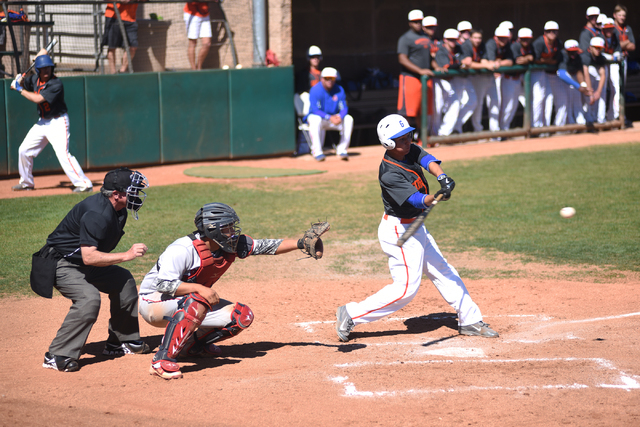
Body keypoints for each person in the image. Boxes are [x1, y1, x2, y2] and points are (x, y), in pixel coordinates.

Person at [335, 114, 498, 342]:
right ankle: (351, 313)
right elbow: (416, 200)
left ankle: (470, 320)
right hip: (399, 231)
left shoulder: (407, 148)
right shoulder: (390, 173)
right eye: (401, 139)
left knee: (444, 270)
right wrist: (435, 197)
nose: (408, 141)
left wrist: (442, 177)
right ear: (389, 143)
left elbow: (425, 157)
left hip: (415, 226)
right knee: (405, 290)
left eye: (408, 136)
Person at [140, 203, 329, 380]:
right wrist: (199, 288)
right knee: (197, 300)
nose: (232, 232)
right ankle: (161, 360)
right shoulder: (182, 249)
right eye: (227, 228)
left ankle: (190, 347)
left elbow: (267, 246)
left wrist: (300, 243)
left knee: (241, 316)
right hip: (153, 303)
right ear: (213, 230)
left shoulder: (229, 245)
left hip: (187, 300)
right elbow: (163, 284)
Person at [36, 167, 151, 372]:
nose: (137, 194)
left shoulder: (118, 209)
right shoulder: (96, 214)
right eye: (133, 190)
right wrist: (126, 255)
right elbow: (89, 257)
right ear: (117, 194)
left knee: (123, 281)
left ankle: (121, 341)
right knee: (89, 298)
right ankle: (57, 355)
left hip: (83, 261)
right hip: (62, 263)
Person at [9, 50, 93, 192]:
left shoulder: (56, 84)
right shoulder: (35, 79)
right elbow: (25, 82)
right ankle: (26, 183)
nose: (46, 70)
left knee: (63, 154)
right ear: (38, 70)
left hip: (58, 122)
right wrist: (19, 80)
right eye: (43, 68)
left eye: (48, 67)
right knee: (24, 150)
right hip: (43, 122)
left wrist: (19, 89)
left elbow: (38, 99)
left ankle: (84, 184)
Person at [397, 9, 434, 144]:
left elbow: (430, 57)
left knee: (423, 111)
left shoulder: (426, 37)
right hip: (411, 78)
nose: (418, 24)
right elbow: (402, 59)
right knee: (407, 112)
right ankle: (405, 139)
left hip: (425, 78)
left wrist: (437, 67)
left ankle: (423, 137)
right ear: (410, 23)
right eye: (415, 22)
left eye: (420, 21)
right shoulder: (405, 38)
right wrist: (420, 70)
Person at [306, 67, 353, 161]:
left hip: (334, 119)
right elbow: (315, 110)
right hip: (321, 118)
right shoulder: (315, 90)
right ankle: (317, 152)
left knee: (348, 119)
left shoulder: (339, 90)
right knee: (315, 119)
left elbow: (344, 107)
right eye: (327, 78)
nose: (330, 81)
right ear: (322, 78)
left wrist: (340, 116)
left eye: (332, 78)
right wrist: (329, 117)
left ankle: (342, 150)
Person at [531, 21, 563, 129]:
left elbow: (557, 59)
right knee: (538, 99)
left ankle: (545, 127)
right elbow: (535, 59)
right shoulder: (539, 43)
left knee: (548, 99)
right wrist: (548, 61)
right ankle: (535, 126)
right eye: (549, 31)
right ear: (545, 32)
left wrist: (546, 61)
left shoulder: (558, 42)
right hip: (536, 72)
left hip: (548, 74)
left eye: (554, 31)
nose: (552, 33)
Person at [483, 26, 514, 134]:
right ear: (495, 37)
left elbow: (510, 62)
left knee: (495, 103)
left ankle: (495, 133)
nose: (503, 40)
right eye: (501, 38)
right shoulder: (491, 44)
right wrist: (497, 62)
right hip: (480, 77)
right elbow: (491, 63)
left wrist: (499, 62)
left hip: (492, 78)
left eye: (505, 38)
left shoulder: (507, 45)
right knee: (476, 105)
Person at [432, 29, 463, 136]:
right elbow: (446, 67)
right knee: (437, 107)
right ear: (445, 40)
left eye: (454, 40)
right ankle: (434, 133)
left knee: (455, 104)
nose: (452, 42)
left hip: (450, 81)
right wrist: (460, 64)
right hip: (439, 81)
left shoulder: (458, 49)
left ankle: (444, 133)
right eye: (450, 40)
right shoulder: (441, 51)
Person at [458, 28, 489, 133]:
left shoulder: (482, 45)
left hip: (471, 78)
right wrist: (486, 65)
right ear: (470, 38)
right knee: (457, 104)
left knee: (473, 102)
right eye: (475, 37)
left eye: (479, 38)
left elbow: (483, 60)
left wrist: (484, 64)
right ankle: (452, 129)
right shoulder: (466, 45)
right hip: (459, 77)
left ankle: (457, 128)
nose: (477, 40)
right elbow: (468, 63)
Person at [504, 27, 534, 129]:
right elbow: (518, 60)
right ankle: (502, 130)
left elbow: (534, 56)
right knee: (508, 106)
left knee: (514, 106)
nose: (525, 41)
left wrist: (530, 57)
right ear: (519, 38)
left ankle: (505, 129)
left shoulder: (530, 47)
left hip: (518, 79)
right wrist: (528, 58)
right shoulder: (515, 46)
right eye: (523, 38)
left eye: (527, 38)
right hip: (508, 79)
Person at [556, 39, 591, 125]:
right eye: (570, 52)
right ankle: (562, 126)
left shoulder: (577, 56)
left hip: (572, 78)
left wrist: (583, 85)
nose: (573, 54)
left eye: (574, 51)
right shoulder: (563, 55)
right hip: (558, 80)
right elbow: (561, 74)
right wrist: (578, 86)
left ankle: (580, 123)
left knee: (577, 99)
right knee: (564, 102)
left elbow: (579, 71)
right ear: (566, 50)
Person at [102, 0, 142, 74]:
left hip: (131, 19)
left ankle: (122, 71)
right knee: (112, 46)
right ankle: (113, 74)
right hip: (113, 17)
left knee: (133, 46)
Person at [613, 4, 635, 127]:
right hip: (612, 61)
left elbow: (633, 46)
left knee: (622, 88)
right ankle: (617, 116)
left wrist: (624, 44)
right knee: (615, 88)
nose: (622, 17)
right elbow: (615, 46)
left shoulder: (627, 28)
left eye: (624, 15)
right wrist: (625, 43)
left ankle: (621, 116)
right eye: (620, 15)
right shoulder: (610, 27)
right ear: (614, 15)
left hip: (624, 60)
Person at [582, 37, 608, 125]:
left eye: (600, 48)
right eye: (596, 47)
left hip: (592, 79)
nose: (598, 50)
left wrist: (598, 92)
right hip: (579, 79)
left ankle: (600, 120)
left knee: (601, 95)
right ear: (590, 47)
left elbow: (603, 74)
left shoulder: (601, 57)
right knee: (585, 101)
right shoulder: (585, 56)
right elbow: (585, 74)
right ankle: (587, 121)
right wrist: (591, 92)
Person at [184, 1, 212, 70]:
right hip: (192, 14)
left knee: (207, 44)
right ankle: (194, 69)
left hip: (205, 14)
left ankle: (199, 68)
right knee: (192, 43)